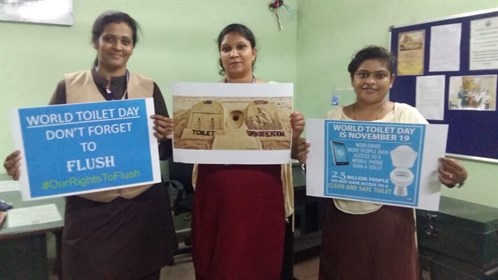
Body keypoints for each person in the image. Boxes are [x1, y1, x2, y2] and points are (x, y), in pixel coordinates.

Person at [2, 11, 177, 280]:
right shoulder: (69, 87)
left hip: (142, 210)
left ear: (132, 47)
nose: (118, 47)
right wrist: (25, 167)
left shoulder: (148, 87)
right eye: (109, 39)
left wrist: (167, 136)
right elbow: (47, 147)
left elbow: (163, 151)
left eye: (125, 41)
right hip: (90, 214)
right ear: (95, 41)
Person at [311, 45, 468, 280]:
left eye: (380, 75)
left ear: (391, 80)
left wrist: (456, 177)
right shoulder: (333, 118)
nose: (370, 81)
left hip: (391, 221)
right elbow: (323, 167)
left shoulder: (407, 116)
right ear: (352, 78)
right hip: (342, 218)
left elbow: (433, 168)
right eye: (363, 74)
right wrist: (306, 155)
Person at [189, 23, 307, 280]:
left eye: (241, 46)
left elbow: (289, 149)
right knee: (219, 259)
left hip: (262, 192)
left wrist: (294, 132)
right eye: (226, 48)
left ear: (254, 52)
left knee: (258, 256)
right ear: (220, 55)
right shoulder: (203, 99)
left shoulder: (275, 96)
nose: (234, 53)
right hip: (217, 192)